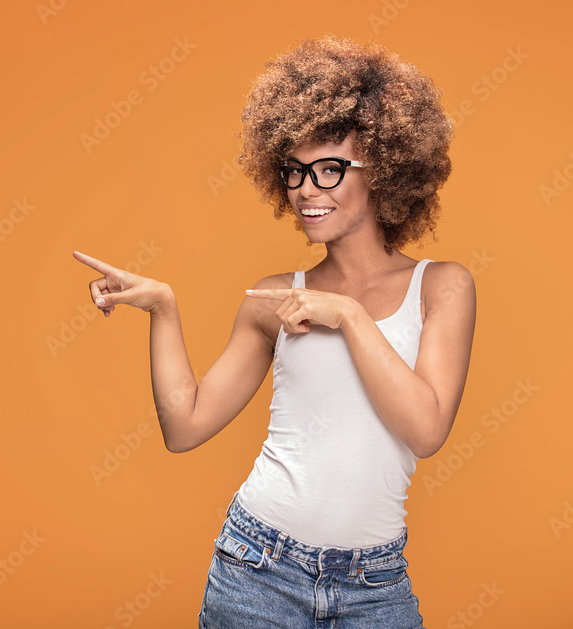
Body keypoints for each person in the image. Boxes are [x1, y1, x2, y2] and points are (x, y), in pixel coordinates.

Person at [73, 35, 475, 628]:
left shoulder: (443, 286)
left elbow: (426, 429)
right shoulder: (272, 298)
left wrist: (350, 316)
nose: (307, 189)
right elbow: (184, 427)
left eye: (330, 169)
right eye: (294, 171)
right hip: (257, 569)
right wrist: (163, 307)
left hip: (375, 587)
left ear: (386, 171)